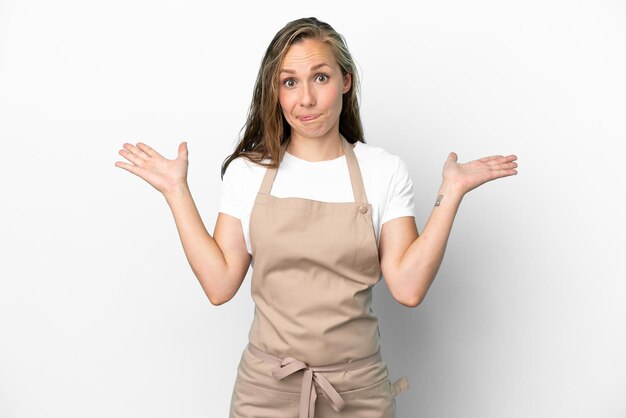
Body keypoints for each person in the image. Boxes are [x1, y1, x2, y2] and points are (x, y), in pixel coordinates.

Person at [114, 16, 518, 418]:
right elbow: (219, 285)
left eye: (320, 78)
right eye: (290, 82)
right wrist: (175, 190)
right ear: (275, 91)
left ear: (345, 81)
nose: (305, 99)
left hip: (358, 394)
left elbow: (408, 288)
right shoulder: (248, 172)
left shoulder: (382, 170)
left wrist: (451, 192)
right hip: (265, 393)